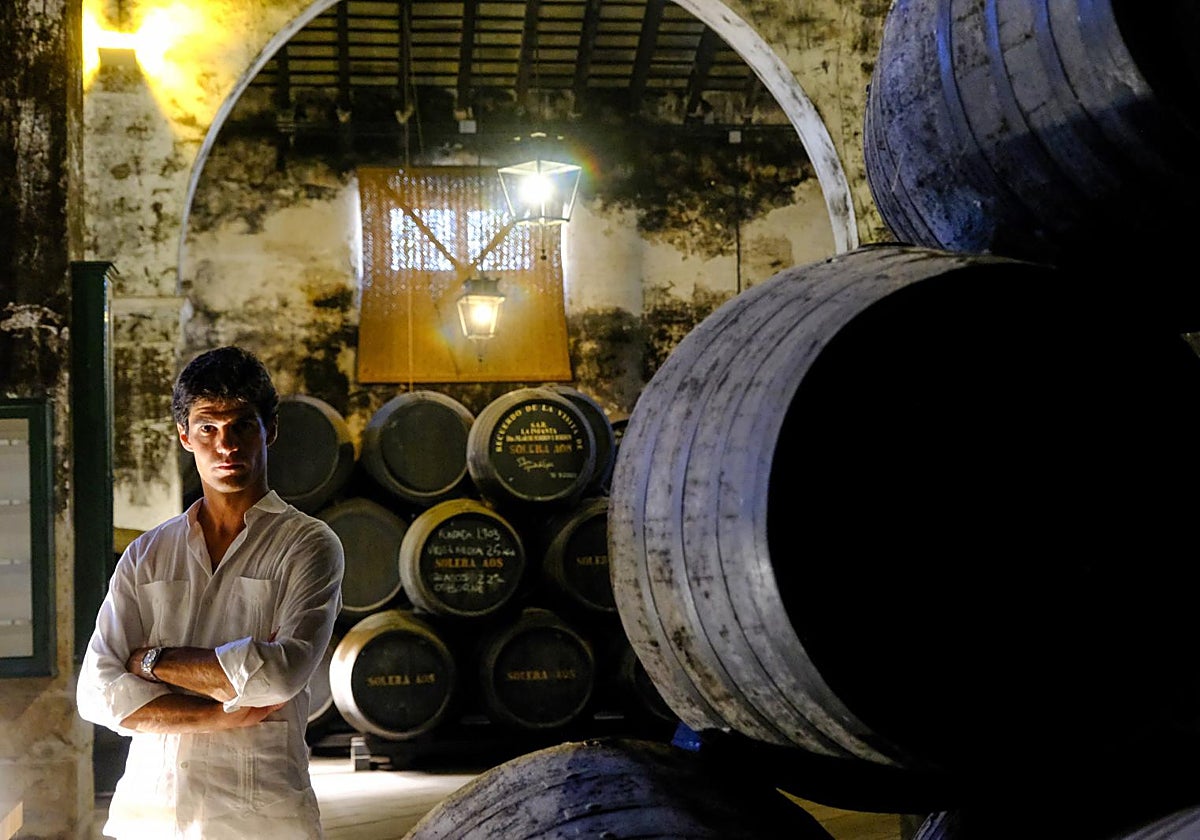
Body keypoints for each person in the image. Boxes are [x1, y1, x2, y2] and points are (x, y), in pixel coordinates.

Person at [77, 346, 345, 839]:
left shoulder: (307, 545)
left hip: (258, 821)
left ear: (270, 430)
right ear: (185, 435)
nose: (226, 445)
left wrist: (151, 661)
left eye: (242, 425)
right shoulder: (147, 554)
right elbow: (96, 694)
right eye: (207, 428)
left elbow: (280, 675)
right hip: (149, 818)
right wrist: (216, 715)